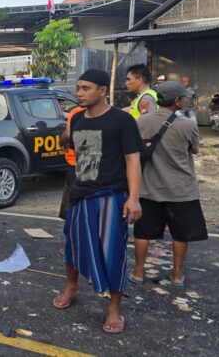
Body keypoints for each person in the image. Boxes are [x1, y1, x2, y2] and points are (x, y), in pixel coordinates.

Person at [53, 69, 143, 335]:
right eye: (78, 88)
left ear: (103, 91)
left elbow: (133, 160)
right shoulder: (78, 118)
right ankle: (72, 286)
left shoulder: (121, 121)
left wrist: (134, 199)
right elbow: (71, 150)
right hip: (81, 194)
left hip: (111, 197)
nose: (79, 93)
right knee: (72, 244)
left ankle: (114, 307)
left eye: (86, 88)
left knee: (112, 252)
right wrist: (67, 132)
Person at [128, 81, 207, 287]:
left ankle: (137, 272)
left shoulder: (142, 122)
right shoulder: (187, 124)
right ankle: (177, 275)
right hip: (181, 190)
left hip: (148, 188)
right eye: (183, 98)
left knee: (142, 232)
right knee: (180, 234)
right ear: (177, 101)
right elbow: (195, 150)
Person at [58, 104, 86, 219]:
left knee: (72, 194)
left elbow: (68, 134)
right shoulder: (102, 112)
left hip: (74, 160)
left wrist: (62, 143)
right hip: (89, 161)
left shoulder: (76, 112)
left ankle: (72, 219)